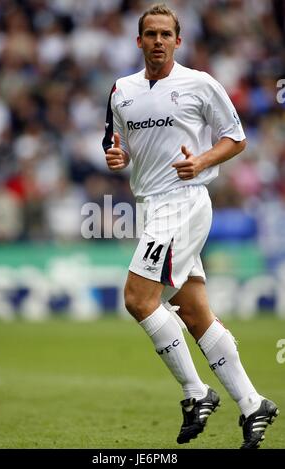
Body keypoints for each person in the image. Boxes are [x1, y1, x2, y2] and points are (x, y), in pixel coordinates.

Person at [102, 3, 279, 449]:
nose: (158, 41)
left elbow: (236, 137)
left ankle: (195, 391)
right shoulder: (121, 90)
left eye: (166, 34)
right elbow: (115, 142)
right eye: (150, 34)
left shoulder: (199, 84)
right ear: (138, 41)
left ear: (178, 41)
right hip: (151, 206)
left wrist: (201, 160)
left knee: (138, 298)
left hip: (183, 204)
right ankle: (252, 402)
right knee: (195, 313)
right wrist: (116, 157)